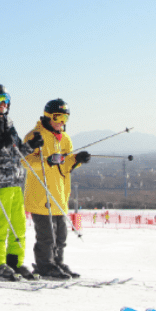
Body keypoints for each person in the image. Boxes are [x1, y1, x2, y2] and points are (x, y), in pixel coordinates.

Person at [0, 84, 44, 280]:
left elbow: (17, 151)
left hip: (15, 180)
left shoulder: (9, 122)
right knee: (0, 224)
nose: (3, 103)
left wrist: (30, 146)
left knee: (18, 224)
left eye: (5, 99)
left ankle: (15, 262)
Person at [22, 99, 91, 279]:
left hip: (59, 194)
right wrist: (47, 161)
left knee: (61, 234)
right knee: (47, 236)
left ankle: (57, 263)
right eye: (58, 117)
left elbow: (64, 166)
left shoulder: (66, 139)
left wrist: (77, 160)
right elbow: (24, 162)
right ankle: (45, 265)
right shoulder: (35, 136)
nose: (62, 122)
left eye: (65, 118)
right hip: (41, 195)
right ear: (48, 116)